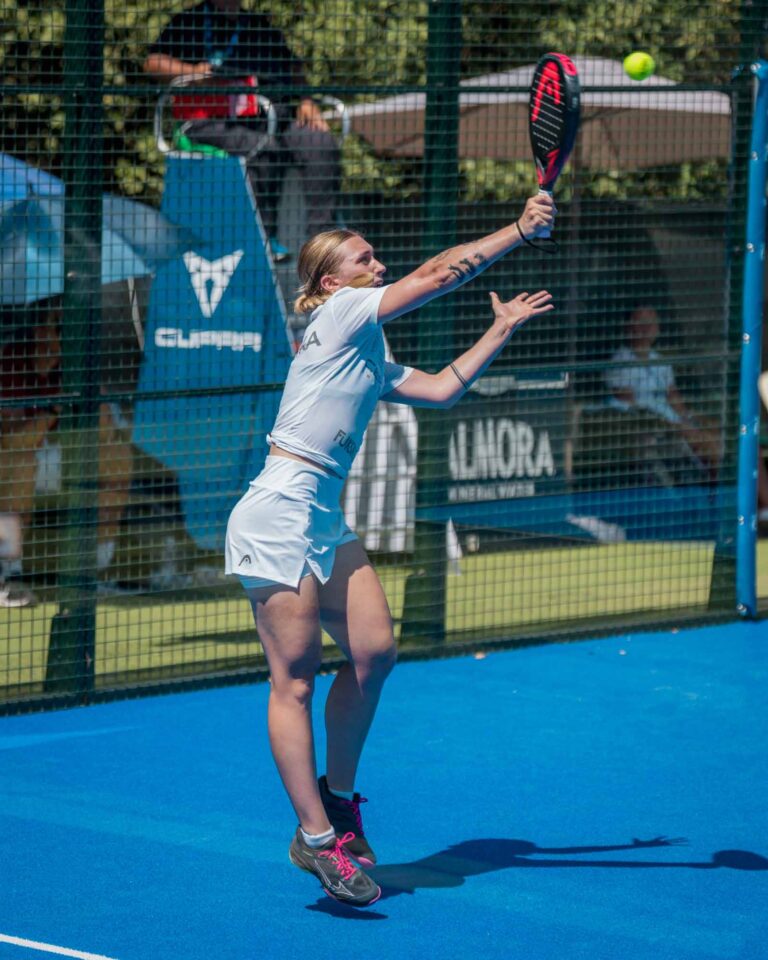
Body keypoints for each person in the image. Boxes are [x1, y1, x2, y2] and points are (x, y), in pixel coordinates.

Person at [224, 194, 556, 906]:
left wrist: (499, 329)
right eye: (364, 258)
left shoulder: (368, 353)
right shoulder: (339, 314)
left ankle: (338, 800)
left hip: (322, 518)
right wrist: (518, 231)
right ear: (330, 282)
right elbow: (436, 276)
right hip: (277, 513)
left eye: (377, 256)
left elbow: (439, 390)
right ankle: (316, 840)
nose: (378, 264)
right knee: (296, 681)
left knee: (374, 653)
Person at [143, 0, 340, 262]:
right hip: (208, 122)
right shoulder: (188, 22)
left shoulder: (260, 25)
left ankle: (323, 246)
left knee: (319, 142)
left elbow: (292, 66)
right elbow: (153, 63)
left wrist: (306, 100)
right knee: (263, 148)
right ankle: (263, 240)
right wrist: (193, 73)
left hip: (270, 119)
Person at [0, 297, 134, 606]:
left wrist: (84, 389)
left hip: (63, 457)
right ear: (40, 329)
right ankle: (9, 574)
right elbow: (12, 442)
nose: (67, 334)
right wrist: (55, 406)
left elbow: (105, 431)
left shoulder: (76, 365)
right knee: (20, 464)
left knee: (116, 458)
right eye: (59, 326)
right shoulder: (10, 362)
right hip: (18, 462)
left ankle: (94, 572)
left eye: (72, 326)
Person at [605, 305, 722, 483]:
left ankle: (713, 483)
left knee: (712, 429)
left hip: (671, 420)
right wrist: (672, 423)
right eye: (642, 321)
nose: (647, 326)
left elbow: (674, 398)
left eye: (651, 321)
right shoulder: (619, 362)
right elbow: (628, 404)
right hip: (648, 424)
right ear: (629, 326)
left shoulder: (661, 362)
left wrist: (691, 418)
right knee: (699, 439)